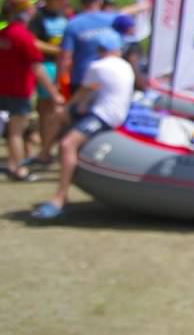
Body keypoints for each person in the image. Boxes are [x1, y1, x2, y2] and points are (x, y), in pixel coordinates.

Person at [32, 29, 134, 219]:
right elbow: (95, 91)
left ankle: (60, 197)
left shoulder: (98, 66)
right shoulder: (125, 65)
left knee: (67, 144)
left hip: (105, 116)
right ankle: (44, 154)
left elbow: (82, 93)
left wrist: (68, 107)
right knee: (60, 117)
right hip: (112, 112)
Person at [1, 0, 64, 181]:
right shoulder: (23, 36)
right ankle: (19, 170)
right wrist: (54, 93)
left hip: (3, 88)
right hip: (19, 91)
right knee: (16, 132)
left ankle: (12, 164)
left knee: (12, 131)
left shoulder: (4, 32)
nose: (34, 11)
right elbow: (37, 68)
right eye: (31, 8)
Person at [25, 0, 72, 167]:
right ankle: (44, 147)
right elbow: (32, 41)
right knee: (47, 107)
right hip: (46, 64)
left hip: (63, 65)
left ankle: (48, 146)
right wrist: (57, 50)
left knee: (58, 107)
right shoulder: (39, 17)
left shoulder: (64, 16)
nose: (64, 1)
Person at [111, 13, 147, 91]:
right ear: (128, 28)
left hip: (117, 80)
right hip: (133, 84)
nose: (135, 28)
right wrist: (141, 85)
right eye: (132, 26)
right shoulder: (132, 44)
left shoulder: (113, 42)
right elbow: (134, 64)